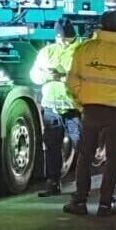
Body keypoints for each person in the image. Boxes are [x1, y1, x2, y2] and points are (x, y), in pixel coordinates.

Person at [63, 11, 116, 216]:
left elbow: (71, 83)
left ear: (101, 25)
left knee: (85, 157)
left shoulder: (85, 50)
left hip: (91, 110)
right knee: (113, 158)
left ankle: (80, 200)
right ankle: (105, 204)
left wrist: (82, 105)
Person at [30, 19, 82, 197]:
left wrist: (61, 77)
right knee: (52, 147)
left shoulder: (81, 52)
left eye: (67, 38)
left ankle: (82, 187)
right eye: (60, 38)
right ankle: (53, 183)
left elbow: (83, 78)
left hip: (74, 107)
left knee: (82, 146)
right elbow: (34, 76)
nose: (63, 42)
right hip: (51, 107)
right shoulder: (47, 52)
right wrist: (46, 75)